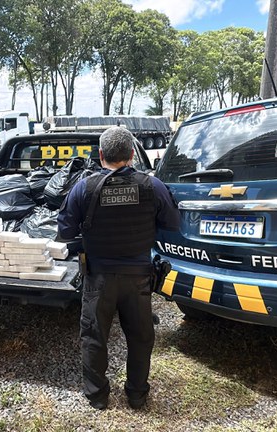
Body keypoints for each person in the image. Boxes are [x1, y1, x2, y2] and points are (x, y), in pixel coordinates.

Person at [57, 127, 180, 410]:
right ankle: (137, 396)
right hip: (138, 279)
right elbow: (173, 224)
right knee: (140, 338)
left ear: (100, 155)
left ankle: (97, 397)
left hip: (98, 277)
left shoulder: (83, 187)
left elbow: (64, 232)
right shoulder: (153, 186)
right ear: (133, 154)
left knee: (94, 337)